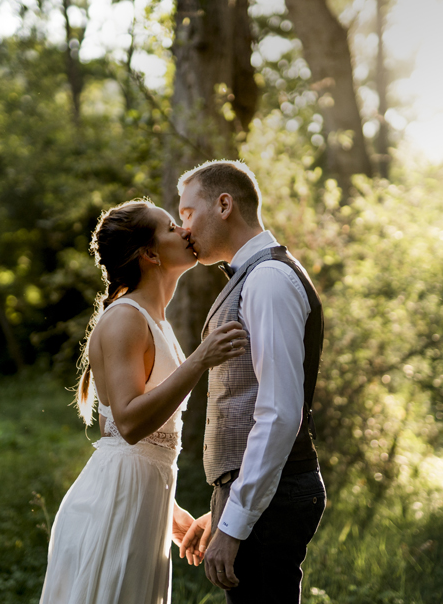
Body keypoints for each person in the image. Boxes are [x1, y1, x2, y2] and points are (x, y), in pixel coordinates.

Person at [39, 198, 248, 604]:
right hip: (113, 509)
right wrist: (201, 359)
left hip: (144, 503)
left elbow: (127, 437)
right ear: (150, 254)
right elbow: (130, 426)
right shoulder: (125, 318)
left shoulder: (154, 321)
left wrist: (170, 514)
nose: (186, 232)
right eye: (172, 228)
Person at [177, 160, 326, 603]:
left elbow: (279, 414)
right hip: (265, 494)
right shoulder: (257, 275)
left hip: (277, 499)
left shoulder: (268, 279)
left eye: (187, 212)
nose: (183, 229)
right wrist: (223, 508)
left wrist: (235, 523)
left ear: (224, 205)